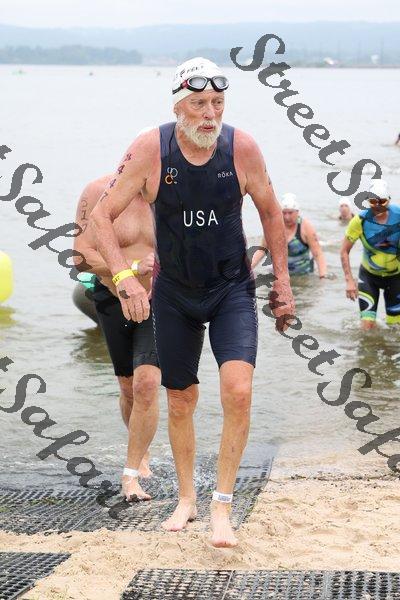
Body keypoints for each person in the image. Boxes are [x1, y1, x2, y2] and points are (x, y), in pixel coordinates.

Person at [90, 57, 295, 548]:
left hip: (231, 289)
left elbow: (271, 213)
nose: (210, 114)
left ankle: (222, 505)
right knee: (180, 399)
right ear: (178, 106)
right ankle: (187, 498)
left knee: (238, 391)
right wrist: (123, 277)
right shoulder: (151, 148)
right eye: (199, 103)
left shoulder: (242, 147)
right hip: (174, 294)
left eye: (218, 103)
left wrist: (283, 284)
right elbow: (101, 216)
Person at [73, 174, 161, 500]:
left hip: (159, 301)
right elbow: (80, 257)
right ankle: (143, 451)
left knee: (147, 384)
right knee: (128, 387)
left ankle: (131, 471)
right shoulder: (99, 192)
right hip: (113, 296)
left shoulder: (169, 193)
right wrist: (132, 268)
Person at [340, 180, 400, 329]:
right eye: (373, 201)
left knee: (395, 328)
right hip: (369, 277)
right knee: (367, 327)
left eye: (382, 201)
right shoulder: (360, 221)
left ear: (389, 200)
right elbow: (344, 251)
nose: (378, 206)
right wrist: (349, 281)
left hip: (396, 278)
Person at [252, 193, 327, 278]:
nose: (287, 217)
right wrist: (248, 269)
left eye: (290, 213)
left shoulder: (306, 227)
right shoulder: (273, 227)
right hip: (279, 275)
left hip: (303, 276)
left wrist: (323, 276)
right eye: (284, 213)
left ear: (297, 212)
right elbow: (262, 250)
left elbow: (317, 253)